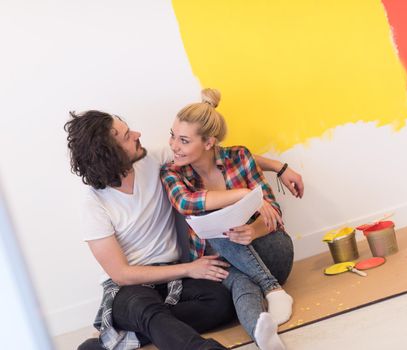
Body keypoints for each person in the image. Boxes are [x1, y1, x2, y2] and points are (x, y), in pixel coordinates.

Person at [64, 109, 304, 350]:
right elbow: (122, 274)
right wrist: (190, 268)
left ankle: (113, 343)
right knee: (144, 309)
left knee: (221, 302)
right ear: (110, 154)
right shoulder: (94, 205)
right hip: (129, 288)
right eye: (127, 136)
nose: (138, 134)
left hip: (173, 277)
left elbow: (215, 154)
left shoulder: (152, 160)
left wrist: (279, 168)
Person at [160, 89, 297, 350]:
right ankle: (266, 336)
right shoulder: (171, 173)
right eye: (172, 136)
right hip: (223, 266)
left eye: (184, 140)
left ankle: (271, 287)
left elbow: (274, 213)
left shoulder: (240, 157)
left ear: (209, 143)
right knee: (238, 278)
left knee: (215, 226)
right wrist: (243, 196)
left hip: (270, 251)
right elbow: (186, 203)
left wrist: (253, 231)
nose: (174, 146)